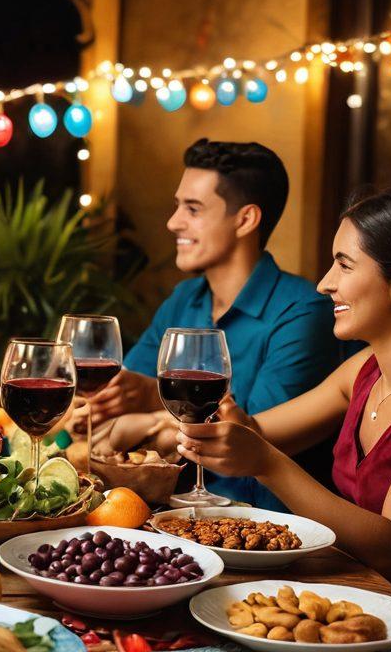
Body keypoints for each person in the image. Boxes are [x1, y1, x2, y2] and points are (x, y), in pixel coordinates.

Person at [177, 187, 391, 652]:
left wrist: (264, 461)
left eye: (344, 264)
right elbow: (262, 433)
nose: (324, 284)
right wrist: (232, 425)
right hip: (348, 594)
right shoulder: (365, 368)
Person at [94, 139, 344, 510]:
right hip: (168, 513)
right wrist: (126, 404)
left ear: (245, 219)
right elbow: (118, 403)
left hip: (259, 528)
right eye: (178, 205)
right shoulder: (184, 298)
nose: (173, 221)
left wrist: (142, 422)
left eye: (192, 209)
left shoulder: (303, 311)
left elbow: (244, 439)